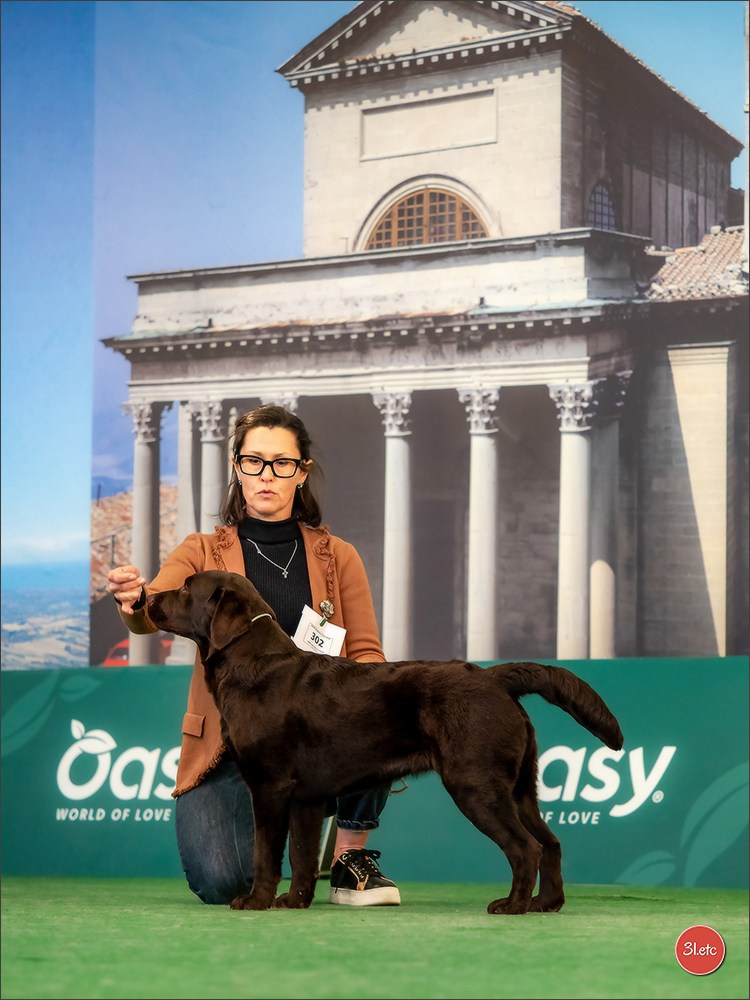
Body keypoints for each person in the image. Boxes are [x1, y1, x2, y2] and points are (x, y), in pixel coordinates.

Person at [107, 403, 400, 907]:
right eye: (254, 461)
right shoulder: (201, 550)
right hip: (232, 742)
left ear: (302, 472)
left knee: (379, 700)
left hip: (322, 735)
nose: (267, 475)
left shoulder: (339, 555)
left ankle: (350, 855)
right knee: (224, 882)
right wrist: (132, 600)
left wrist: (363, 714)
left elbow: (367, 652)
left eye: (282, 463)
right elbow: (151, 610)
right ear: (237, 467)